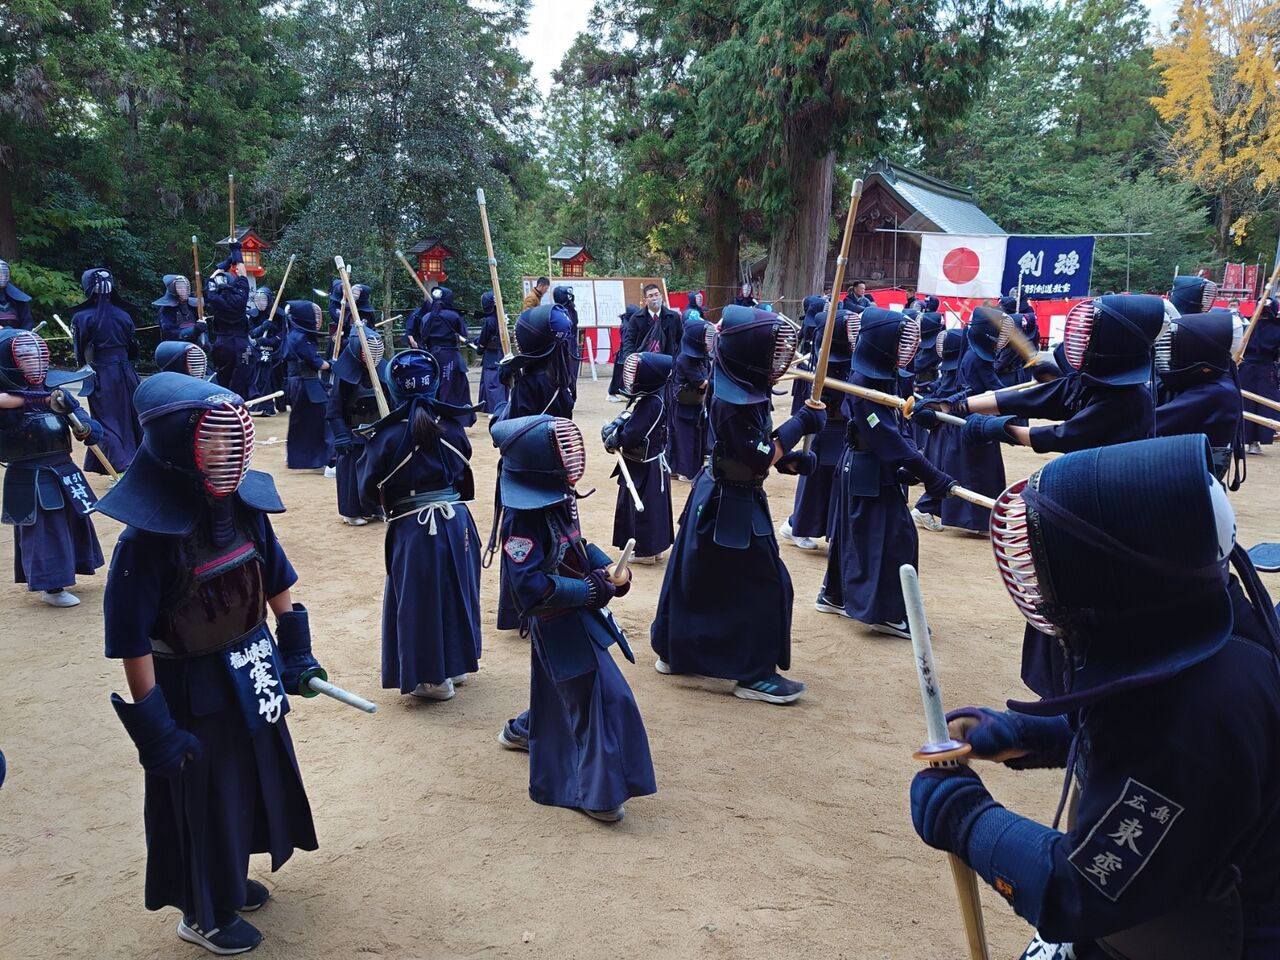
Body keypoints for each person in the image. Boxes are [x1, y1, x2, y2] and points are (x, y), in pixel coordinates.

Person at [910, 433, 1280, 960]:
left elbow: (1079, 892)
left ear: (1118, 580)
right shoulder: (1203, 617)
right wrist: (1030, 736)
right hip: (1161, 915)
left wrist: (967, 819)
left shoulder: (1197, 715)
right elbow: (1133, 734)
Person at [96, 372, 322, 956]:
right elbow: (132, 641)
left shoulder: (246, 509)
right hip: (190, 687)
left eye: (232, 440)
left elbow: (276, 579)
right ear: (176, 449)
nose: (228, 453)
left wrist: (295, 650)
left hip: (251, 668)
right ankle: (203, 911)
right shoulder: (145, 544)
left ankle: (227, 880)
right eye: (211, 442)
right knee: (201, 796)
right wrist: (155, 727)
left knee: (247, 780)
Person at [650, 305, 820, 704]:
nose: (780, 359)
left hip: (722, 489)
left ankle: (679, 652)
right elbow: (757, 455)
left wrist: (788, 458)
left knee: (700, 576)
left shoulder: (738, 385)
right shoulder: (734, 400)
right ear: (750, 352)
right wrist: (801, 425)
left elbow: (750, 449)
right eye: (772, 351)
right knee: (768, 584)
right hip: (731, 502)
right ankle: (754, 673)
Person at [491, 414, 656, 822]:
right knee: (597, 699)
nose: (572, 458)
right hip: (556, 623)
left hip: (578, 616)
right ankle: (594, 792)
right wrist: (590, 590)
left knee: (577, 695)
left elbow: (576, 544)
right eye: (562, 451)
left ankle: (527, 730)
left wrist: (609, 570)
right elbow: (529, 587)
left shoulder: (557, 495)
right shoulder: (521, 517)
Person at [815, 307, 956, 636]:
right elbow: (886, 437)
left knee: (857, 534)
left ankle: (834, 593)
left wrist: (909, 466)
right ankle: (886, 612)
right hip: (865, 468)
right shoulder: (862, 384)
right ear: (881, 343)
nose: (906, 349)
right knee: (893, 537)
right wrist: (932, 475)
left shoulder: (881, 373)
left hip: (875, 466)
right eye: (899, 343)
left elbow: (897, 425)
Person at [356, 350, 481, 701]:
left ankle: (433, 678)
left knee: (420, 600)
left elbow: (366, 491)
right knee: (457, 589)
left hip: (414, 527)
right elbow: (462, 466)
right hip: (458, 523)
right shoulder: (451, 426)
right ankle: (456, 664)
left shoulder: (387, 437)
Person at [934, 295, 1165, 454]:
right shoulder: (1093, 379)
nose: (1081, 339)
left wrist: (998, 429)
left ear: (1113, 342)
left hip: (1112, 487)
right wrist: (953, 406)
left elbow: (1064, 436)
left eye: (1090, 333)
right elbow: (1035, 398)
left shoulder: (1128, 398)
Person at [0, 328, 104, 607]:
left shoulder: (56, 392)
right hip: (29, 472)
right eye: (24, 356)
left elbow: (91, 429)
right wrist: (28, 401)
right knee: (45, 529)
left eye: (37, 355)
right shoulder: (5, 399)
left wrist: (85, 428)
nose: (33, 361)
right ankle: (51, 585)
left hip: (64, 467)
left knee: (73, 521)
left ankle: (72, 570)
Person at [489, 303, 577, 631]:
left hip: (524, 475)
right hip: (554, 471)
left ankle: (522, 608)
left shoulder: (529, 384)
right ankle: (552, 599)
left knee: (523, 540)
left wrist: (503, 403)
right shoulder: (560, 378)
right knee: (555, 537)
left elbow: (505, 433)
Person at [779, 307, 856, 551]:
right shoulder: (817, 363)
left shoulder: (851, 360)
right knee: (814, 481)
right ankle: (796, 526)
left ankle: (831, 530)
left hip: (842, 429)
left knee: (835, 484)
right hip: (823, 428)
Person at [936, 306, 1009, 533]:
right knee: (976, 473)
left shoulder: (975, 356)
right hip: (972, 422)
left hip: (977, 420)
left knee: (976, 470)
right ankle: (975, 522)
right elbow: (993, 387)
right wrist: (1013, 395)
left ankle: (977, 521)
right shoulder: (975, 358)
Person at [1155, 309, 1244, 486]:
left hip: (1192, 484)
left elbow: (1151, 423)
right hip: (1191, 476)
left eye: (1175, 348)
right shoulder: (1216, 380)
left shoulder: (1214, 392)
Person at [603, 351, 674, 563]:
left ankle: (646, 551)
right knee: (654, 505)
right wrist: (615, 427)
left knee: (643, 507)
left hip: (642, 466)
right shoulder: (655, 397)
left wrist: (615, 439)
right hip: (651, 465)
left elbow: (633, 433)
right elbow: (630, 420)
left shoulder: (651, 403)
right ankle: (655, 547)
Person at [71, 266, 143, 474]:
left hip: (101, 373)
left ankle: (120, 464)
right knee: (129, 418)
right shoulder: (123, 315)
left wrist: (83, 364)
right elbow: (133, 347)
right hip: (126, 372)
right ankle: (132, 459)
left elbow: (80, 349)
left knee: (107, 420)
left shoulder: (82, 317)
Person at [326, 330, 387, 525]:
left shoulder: (383, 371)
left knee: (380, 472)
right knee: (352, 473)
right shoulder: (344, 376)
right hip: (353, 432)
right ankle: (351, 511)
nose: (374, 353)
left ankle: (377, 507)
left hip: (378, 431)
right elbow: (334, 410)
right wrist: (341, 435)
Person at [912, 327, 965, 532]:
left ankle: (929, 508)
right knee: (946, 469)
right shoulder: (956, 370)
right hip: (948, 429)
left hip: (944, 428)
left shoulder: (953, 369)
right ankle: (924, 507)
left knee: (946, 468)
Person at [406, 286, 475, 427]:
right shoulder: (453, 316)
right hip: (449, 355)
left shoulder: (425, 317)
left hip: (432, 356)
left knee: (435, 386)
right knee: (451, 387)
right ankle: (451, 420)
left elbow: (422, 336)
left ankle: (434, 416)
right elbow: (463, 332)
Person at [283, 300, 331, 471]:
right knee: (325, 415)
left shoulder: (294, 334)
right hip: (305, 383)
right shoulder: (300, 337)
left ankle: (300, 457)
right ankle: (328, 459)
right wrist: (333, 364)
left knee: (302, 420)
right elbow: (317, 363)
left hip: (300, 382)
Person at [667, 314, 713, 481]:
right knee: (685, 438)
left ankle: (684, 468)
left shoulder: (701, 358)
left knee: (693, 436)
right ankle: (685, 471)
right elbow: (701, 383)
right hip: (684, 404)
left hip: (695, 405)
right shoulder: (685, 359)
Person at [204, 242, 253, 397]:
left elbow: (209, 281)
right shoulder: (241, 296)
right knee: (242, 377)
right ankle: (239, 406)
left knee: (223, 376)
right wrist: (236, 253)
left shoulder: (215, 297)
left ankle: (225, 405)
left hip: (222, 344)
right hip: (241, 344)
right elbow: (243, 273)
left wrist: (225, 263)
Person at [1238, 296, 1280, 455]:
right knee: (1245, 402)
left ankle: (1253, 441)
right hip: (1248, 365)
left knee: (1264, 405)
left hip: (1264, 368)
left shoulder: (1275, 327)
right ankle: (1243, 440)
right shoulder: (1247, 324)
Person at [247, 287, 285, 417]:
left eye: (263, 299)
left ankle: (281, 404)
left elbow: (283, 334)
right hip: (258, 352)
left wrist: (271, 340)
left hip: (276, 352)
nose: (261, 302)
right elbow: (251, 333)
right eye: (258, 300)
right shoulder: (252, 315)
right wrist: (262, 328)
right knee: (261, 378)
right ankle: (264, 406)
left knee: (278, 379)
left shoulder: (280, 315)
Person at [472, 291, 508, 415]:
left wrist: (480, 347)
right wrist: (473, 341)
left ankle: (496, 409)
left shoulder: (490, 320)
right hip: (501, 351)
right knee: (488, 381)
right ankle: (486, 406)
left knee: (493, 382)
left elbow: (485, 337)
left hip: (493, 354)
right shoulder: (501, 317)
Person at [623, 284, 682, 360]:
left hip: (668, 361)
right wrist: (630, 359)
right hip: (644, 361)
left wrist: (678, 359)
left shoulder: (673, 317)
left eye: (656, 295)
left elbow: (681, 340)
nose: (655, 298)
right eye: (650, 296)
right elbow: (629, 341)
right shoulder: (636, 318)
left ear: (661, 296)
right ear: (645, 300)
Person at [154, 275, 204, 344]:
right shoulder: (166, 309)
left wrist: (204, 340)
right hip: (175, 346)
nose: (183, 290)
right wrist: (194, 330)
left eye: (185, 287)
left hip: (195, 345)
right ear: (173, 289)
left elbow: (202, 326)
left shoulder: (193, 305)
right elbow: (170, 333)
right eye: (180, 287)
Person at [607, 302, 640, 401]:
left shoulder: (630, 322)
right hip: (624, 353)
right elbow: (627, 341)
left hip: (629, 352)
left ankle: (631, 394)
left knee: (630, 374)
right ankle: (611, 393)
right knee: (619, 374)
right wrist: (628, 355)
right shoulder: (626, 326)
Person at [0, 259, 35, 330]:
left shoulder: (18, 300)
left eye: (2, 274)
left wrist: (21, 337)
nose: (1, 276)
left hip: (17, 339)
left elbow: (27, 324)